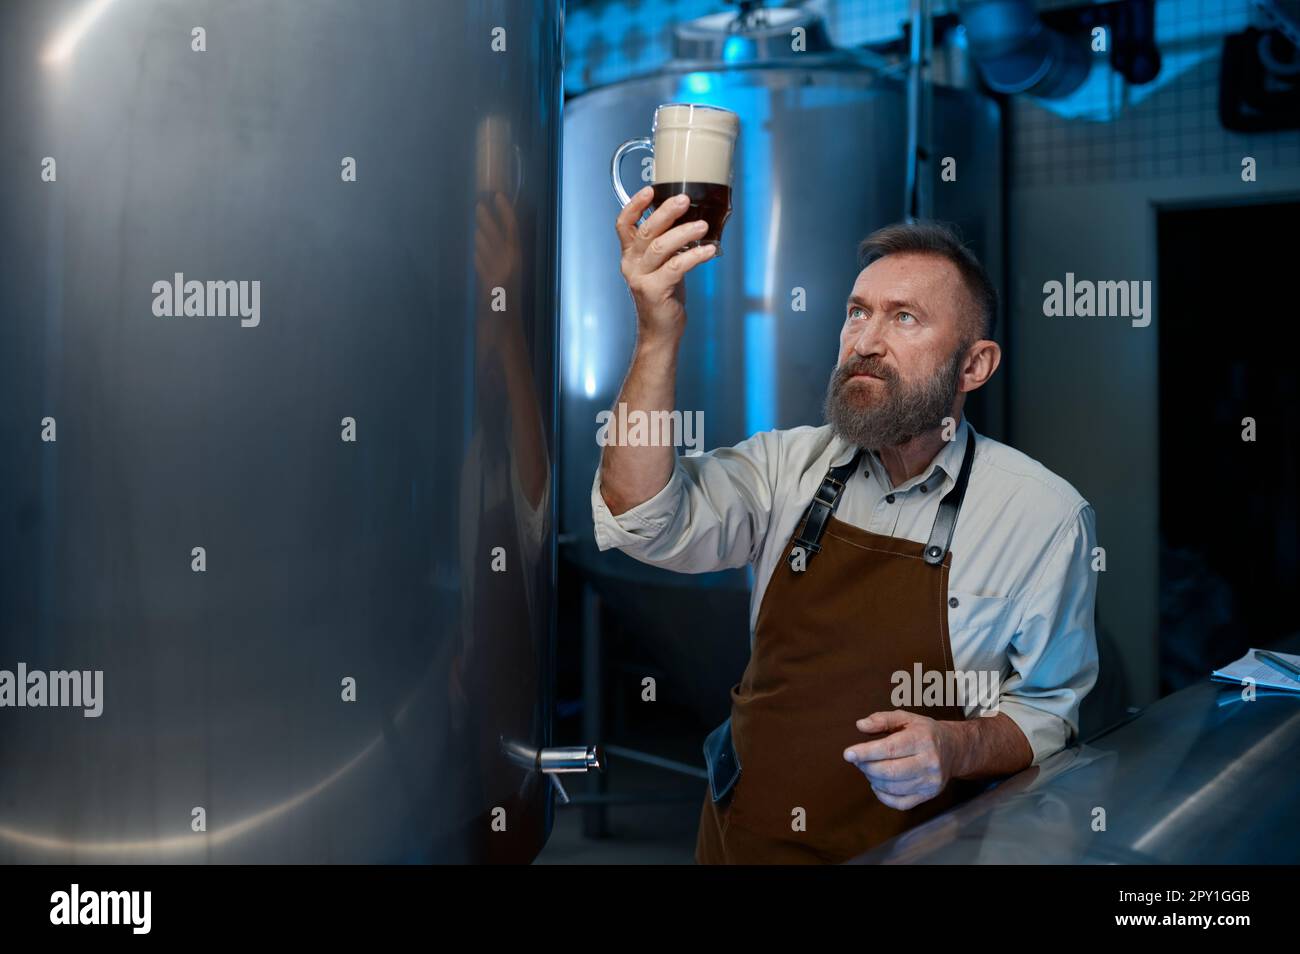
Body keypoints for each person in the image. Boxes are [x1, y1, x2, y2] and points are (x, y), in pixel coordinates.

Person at [591, 187, 1100, 864]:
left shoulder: (1043, 516)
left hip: (918, 849)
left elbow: (1047, 711)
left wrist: (958, 746)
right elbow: (640, 517)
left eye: (905, 318)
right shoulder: (784, 467)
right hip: (747, 841)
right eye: (857, 313)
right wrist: (658, 332)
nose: (865, 341)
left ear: (974, 365)